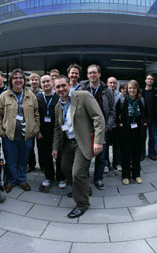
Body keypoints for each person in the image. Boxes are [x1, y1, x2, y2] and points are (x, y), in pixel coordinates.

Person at [52, 75, 106, 218]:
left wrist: (98, 141)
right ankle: (82, 188)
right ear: (54, 89)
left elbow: (98, 117)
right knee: (65, 168)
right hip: (68, 143)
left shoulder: (83, 96)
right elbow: (58, 129)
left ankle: (82, 204)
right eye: (57, 87)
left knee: (78, 173)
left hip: (84, 141)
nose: (61, 89)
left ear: (68, 84)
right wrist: (55, 148)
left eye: (63, 85)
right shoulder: (58, 106)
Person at [0, 69, 40, 192]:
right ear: (11, 81)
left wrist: (34, 130)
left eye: (21, 78)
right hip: (9, 137)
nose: (18, 80)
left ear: (24, 81)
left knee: (23, 160)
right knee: (10, 160)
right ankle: (11, 181)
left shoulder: (31, 96)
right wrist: (1, 132)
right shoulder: (4, 96)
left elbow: (36, 114)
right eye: (15, 78)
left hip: (27, 137)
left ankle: (21, 180)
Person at [116, 80, 146, 184]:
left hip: (138, 132)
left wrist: (145, 123)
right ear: (127, 90)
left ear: (137, 89)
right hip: (126, 133)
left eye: (134, 88)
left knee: (136, 155)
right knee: (126, 155)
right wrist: (119, 123)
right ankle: (125, 175)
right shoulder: (122, 101)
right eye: (130, 88)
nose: (132, 90)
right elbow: (116, 114)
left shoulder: (141, 101)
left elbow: (146, 114)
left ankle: (136, 174)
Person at [36, 75, 62, 191]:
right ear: (41, 84)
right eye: (43, 82)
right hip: (42, 133)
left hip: (57, 132)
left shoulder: (59, 96)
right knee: (46, 156)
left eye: (48, 81)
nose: (46, 83)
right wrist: (37, 131)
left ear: (52, 82)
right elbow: (34, 115)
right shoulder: (38, 97)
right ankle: (49, 177)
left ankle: (61, 178)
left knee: (60, 156)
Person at [142, 75, 157, 161]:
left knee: (152, 137)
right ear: (145, 80)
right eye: (148, 79)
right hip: (143, 119)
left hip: (153, 118)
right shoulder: (141, 92)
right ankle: (142, 154)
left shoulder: (156, 92)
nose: (150, 80)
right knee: (142, 137)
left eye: (151, 79)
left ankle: (152, 153)